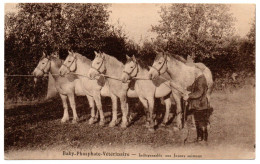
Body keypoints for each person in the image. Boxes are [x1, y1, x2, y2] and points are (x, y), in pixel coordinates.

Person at [183, 68, 211, 144]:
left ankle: (204, 140)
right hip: (197, 104)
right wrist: (186, 88)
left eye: (194, 72)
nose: (193, 73)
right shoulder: (198, 78)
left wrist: (189, 96)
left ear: (198, 71)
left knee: (201, 122)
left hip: (200, 104)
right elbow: (194, 88)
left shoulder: (201, 79)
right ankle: (199, 138)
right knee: (197, 122)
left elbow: (199, 92)